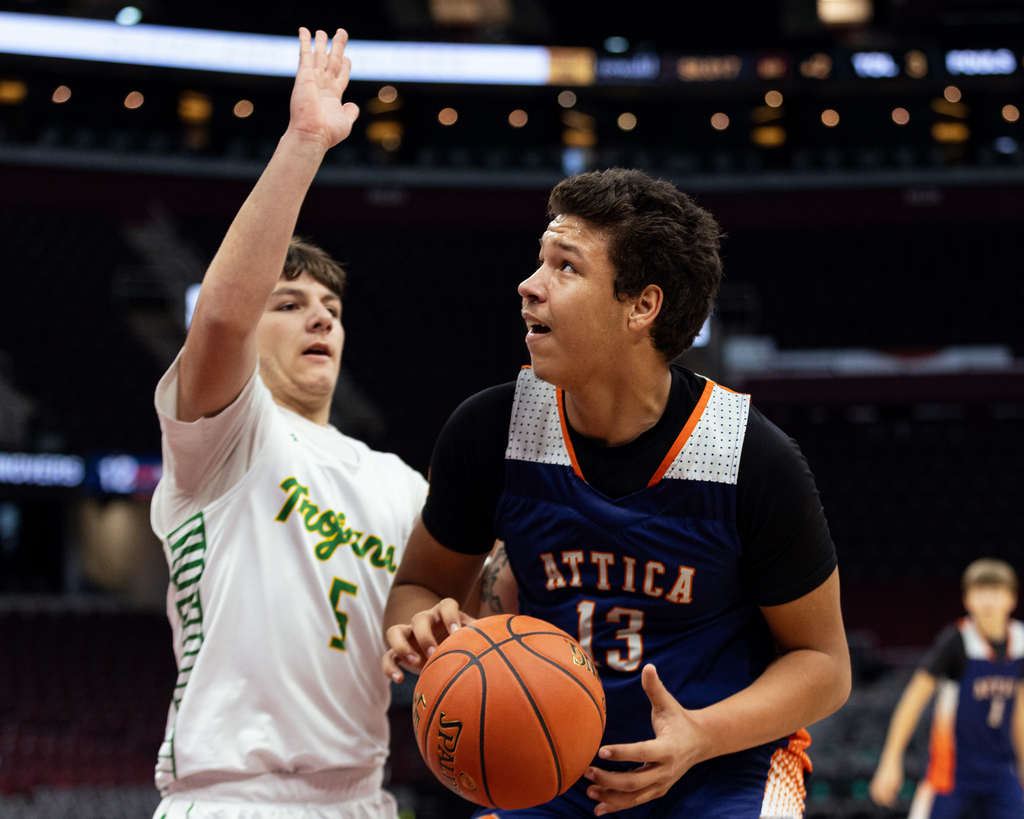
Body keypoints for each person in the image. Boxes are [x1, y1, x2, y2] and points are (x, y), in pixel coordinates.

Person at [382, 168, 851, 818]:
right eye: (539, 260)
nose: (529, 285)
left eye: (565, 268)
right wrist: (420, 624)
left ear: (641, 306)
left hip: (722, 767)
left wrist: (700, 736)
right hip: (551, 766)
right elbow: (418, 586)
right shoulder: (490, 431)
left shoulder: (749, 455)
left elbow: (824, 664)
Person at [149, 29, 429, 819]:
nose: (320, 320)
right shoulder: (226, 437)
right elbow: (220, 323)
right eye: (292, 304)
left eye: (332, 310)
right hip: (237, 797)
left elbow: (476, 599)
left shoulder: (401, 484)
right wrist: (305, 142)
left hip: (364, 796)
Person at [870, 558, 1024, 819]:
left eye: (996, 592)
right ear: (967, 600)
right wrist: (890, 761)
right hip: (951, 773)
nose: (988, 601)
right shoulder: (957, 640)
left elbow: (1020, 711)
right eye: (980, 592)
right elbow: (913, 700)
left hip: (1001, 770)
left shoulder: (1020, 641)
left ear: (1011, 599)